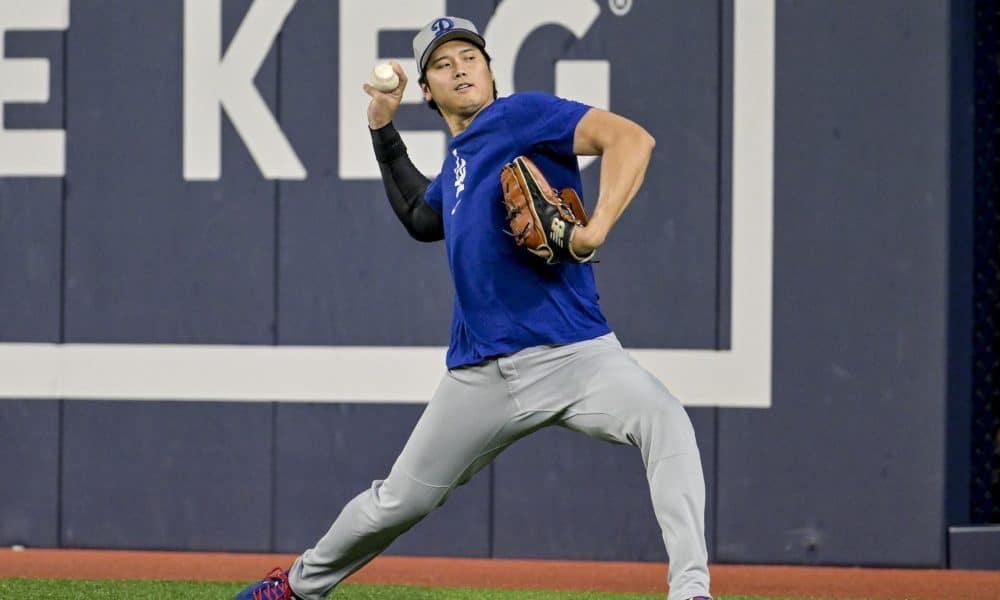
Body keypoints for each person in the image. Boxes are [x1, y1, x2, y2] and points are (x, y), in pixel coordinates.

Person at [234, 16, 711, 600]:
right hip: (481, 373)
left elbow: (632, 139)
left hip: (578, 357)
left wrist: (595, 230)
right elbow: (420, 216)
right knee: (397, 501)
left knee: (664, 419)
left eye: (470, 56)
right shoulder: (462, 158)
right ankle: (298, 586)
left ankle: (691, 591)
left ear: (489, 70)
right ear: (427, 91)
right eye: (442, 63)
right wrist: (382, 128)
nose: (460, 66)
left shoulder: (519, 116)